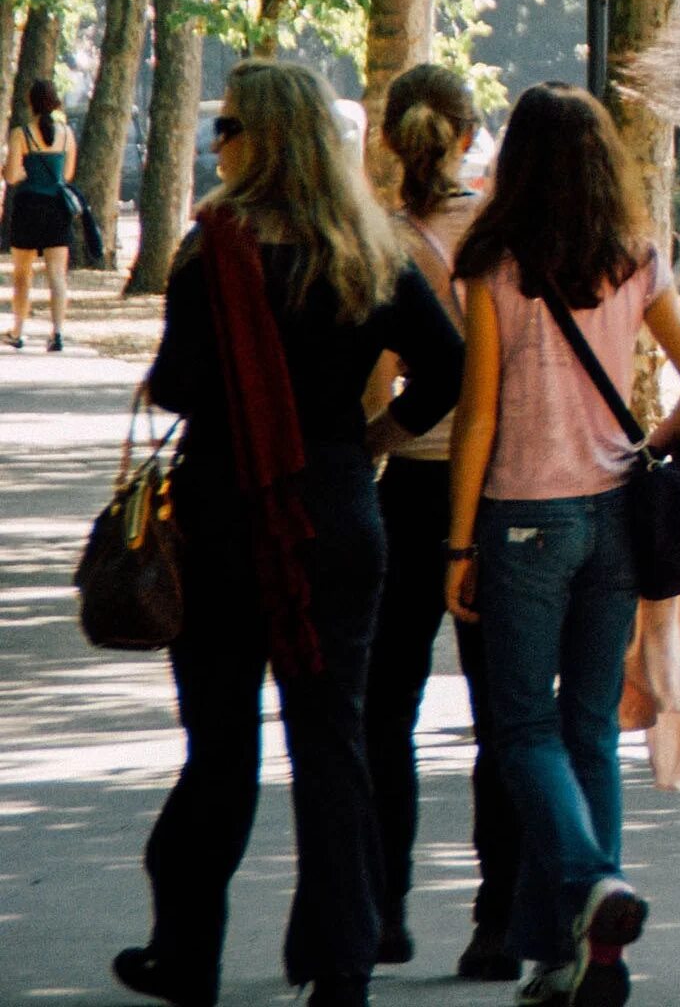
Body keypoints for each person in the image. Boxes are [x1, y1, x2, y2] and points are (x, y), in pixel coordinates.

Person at [117, 60, 466, 1007]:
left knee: (221, 744)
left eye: (226, 126)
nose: (217, 141)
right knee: (332, 740)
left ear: (263, 138)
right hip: (339, 508)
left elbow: (180, 384)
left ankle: (188, 953)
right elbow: (449, 367)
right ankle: (339, 962)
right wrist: (375, 437)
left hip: (229, 513)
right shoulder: (368, 249)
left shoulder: (214, 249)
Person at [439, 84, 680, 1007]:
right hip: (613, 518)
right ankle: (582, 955)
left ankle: (590, 889)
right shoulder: (636, 258)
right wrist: (651, 448)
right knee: (590, 729)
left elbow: (478, 412)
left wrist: (455, 545)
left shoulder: (495, 262)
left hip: (524, 517)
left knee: (520, 727)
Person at [357, 65, 522, 980]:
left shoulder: (384, 244)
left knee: (388, 707)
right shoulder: (507, 238)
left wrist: (374, 438)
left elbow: (379, 382)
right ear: (469, 137)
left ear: (390, 141)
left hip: (414, 490)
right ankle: (495, 921)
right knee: (502, 717)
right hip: (501, 489)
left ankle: (385, 908)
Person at [7, 76, 78, 350]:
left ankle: (18, 331)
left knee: (23, 275)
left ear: (30, 103)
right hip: (57, 209)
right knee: (57, 274)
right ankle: (57, 332)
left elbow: (12, 176)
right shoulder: (67, 134)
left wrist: (25, 171)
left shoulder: (20, 134)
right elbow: (67, 174)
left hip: (28, 207)